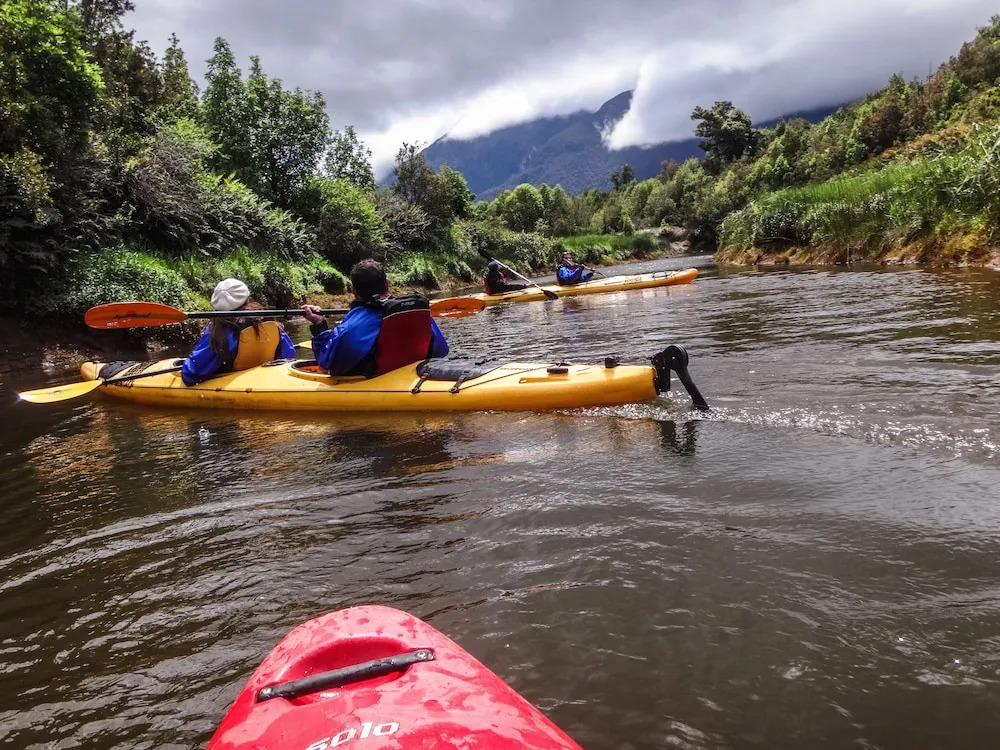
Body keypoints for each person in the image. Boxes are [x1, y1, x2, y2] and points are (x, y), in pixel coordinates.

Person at [301, 259, 449, 376]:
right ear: (387, 284)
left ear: (353, 291)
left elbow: (327, 364)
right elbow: (442, 350)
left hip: (378, 380)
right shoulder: (415, 311)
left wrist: (319, 325)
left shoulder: (351, 327)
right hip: (415, 374)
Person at [181, 278, 296, 386]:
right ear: (248, 299)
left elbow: (191, 374)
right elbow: (289, 355)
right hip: (270, 380)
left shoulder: (221, 331)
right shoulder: (266, 320)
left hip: (238, 384)